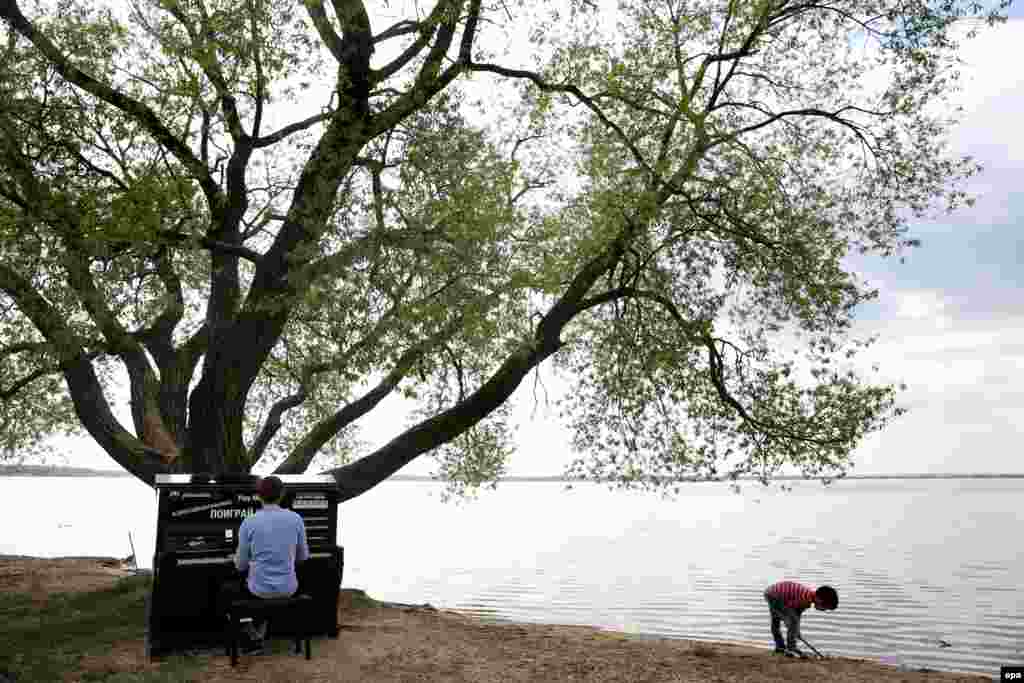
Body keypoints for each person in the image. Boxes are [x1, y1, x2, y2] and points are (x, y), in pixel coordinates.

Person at [219, 476, 310, 652]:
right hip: (289, 588)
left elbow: (240, 566)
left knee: (227, 590)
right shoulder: (296, 519)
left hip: (258, 591)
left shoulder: (249, 522)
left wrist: (243, 558)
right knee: (265, 586)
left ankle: (251, 636)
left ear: (258, 496)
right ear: (282, 495)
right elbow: (303, 557)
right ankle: (261, 633)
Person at [763, 580, 838, 657]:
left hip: (772, 593)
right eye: (825, 608)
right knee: (786, 622)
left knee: (778, 621)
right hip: (774, 596)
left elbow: (797, 614)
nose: (824, 610)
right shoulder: (805, 599)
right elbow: (790, 611)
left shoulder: (808, 597)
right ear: (819, 600)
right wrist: (791, 625)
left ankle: (780, 647)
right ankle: (791, 648)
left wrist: (796, 630)